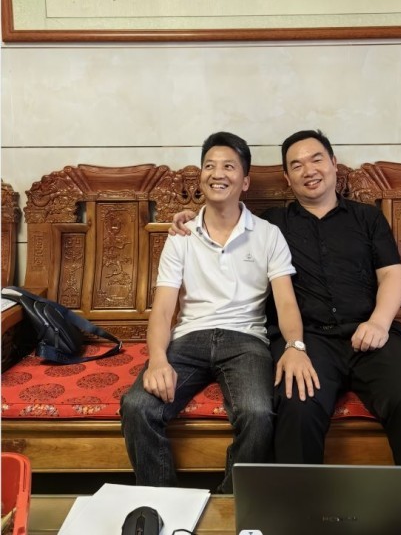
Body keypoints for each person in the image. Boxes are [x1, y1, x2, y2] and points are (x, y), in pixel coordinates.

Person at [171, 129, 401, 467]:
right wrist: (188, 217)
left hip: (370, 334)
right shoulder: (271, 225)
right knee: (296, 407)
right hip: (308, 340)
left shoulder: (367, 217)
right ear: (287, 179)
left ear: (333, 163)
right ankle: (298, 502)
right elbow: (224, 217)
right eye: (297, 165)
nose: (309, 171)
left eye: (316, 160)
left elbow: (391, 274)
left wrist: (379, 322)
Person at [120, 131, 318, 493]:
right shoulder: (181, 235)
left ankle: (228, 505)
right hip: (189, 339)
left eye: (229, 166)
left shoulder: (268, 234)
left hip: (246, 341)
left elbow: (286, 302)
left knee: (258, 413)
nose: (217, 173)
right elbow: (163, 309)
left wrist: (295, 345)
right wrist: (158, 359)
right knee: (137, 405)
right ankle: (164, 503)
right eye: (209, 166)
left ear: (245, 181)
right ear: (201, 177)